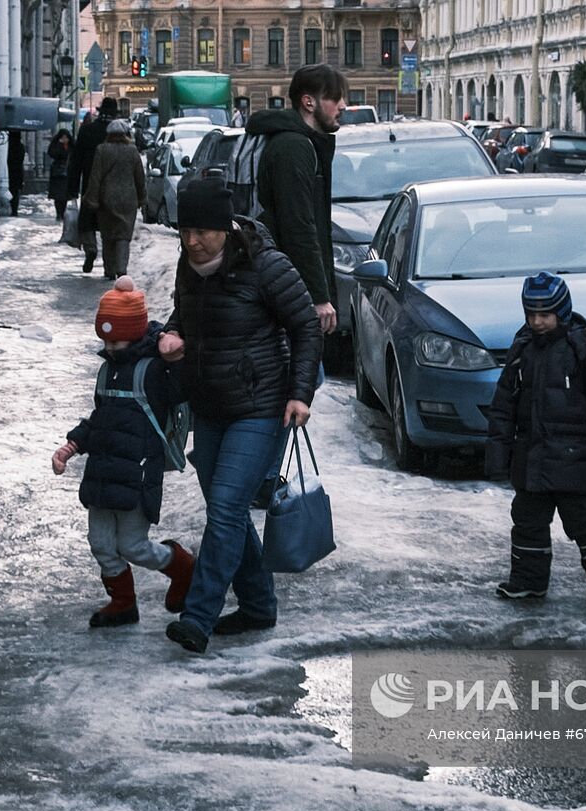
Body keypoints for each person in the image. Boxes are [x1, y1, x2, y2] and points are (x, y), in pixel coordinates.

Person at [156, 179, 322, 654]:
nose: (192, 241)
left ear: (226, 228)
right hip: (208, 407)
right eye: (184, 231)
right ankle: (257, 604)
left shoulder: (266, 266)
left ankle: (198, 617)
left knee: (228, 507)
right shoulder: (188, 269)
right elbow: (181, 317)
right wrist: (171, 336)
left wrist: (300, 393)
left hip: (259, 407)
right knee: (225, 512)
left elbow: (305, 326)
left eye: (201, 232)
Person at [51, 279, 196, 629]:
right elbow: (100, 418)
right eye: (106, 340)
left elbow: (184, 385)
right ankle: (122, 602)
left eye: (117, 339)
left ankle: (185, 569)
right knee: (101, 543)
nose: (111, 347)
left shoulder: (154, 372)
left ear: (134, 332)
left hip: (137, 474)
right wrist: (71, 446)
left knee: (133, 546)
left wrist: (169, 348)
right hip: (102, 474)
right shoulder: (107, 370)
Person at [485, 272, 586, 603]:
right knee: (527, 523)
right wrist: (497, 455)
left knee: (585, 524)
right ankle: (528, 580)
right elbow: (503, 406)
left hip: (574, 460)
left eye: (545, 315)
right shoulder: (522, 351)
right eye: (531, 315)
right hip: (532, 459)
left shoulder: (582, 346)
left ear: (561, 313)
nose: (538, 322)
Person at [244, 64, 346, 505]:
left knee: (300, 378)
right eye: (335, 97)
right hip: (286, 284)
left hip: (285, 280)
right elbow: (300, 226)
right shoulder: (293, 149)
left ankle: (262, 473)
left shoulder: (302, 145)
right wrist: (319, 297)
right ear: (309, 102)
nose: (343, 105)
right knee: (300, 378)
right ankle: (261, 474)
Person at [83, 120, 146, 281]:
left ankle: (109, 269)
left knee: (108, 235)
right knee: (123, 235)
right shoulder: (132, 151)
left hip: (106, 198)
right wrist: (142, 197)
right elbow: (140, 177)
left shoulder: (102, 150)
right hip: (128, 199)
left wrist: (92, 199)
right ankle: (121, 268)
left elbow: (95, 176)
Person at [68, 96, 120, 273]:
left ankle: (90, 249)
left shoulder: (87, 130)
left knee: (87, 221)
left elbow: (75, 162)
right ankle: (109, 266)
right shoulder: (120, 135)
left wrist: (72, 189)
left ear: (99, 112)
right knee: (109, 225)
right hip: (114, 187)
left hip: (90, 183)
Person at [46, 128, 73, 222]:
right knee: (58, 195)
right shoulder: (56, 145)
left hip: (67, 173)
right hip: (57, 173)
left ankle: (63, 212)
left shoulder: (71, 146)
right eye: (63, 137)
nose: (65, 139)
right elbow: (53, 153)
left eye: (66, 137)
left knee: (64, 195)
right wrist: (60, 144)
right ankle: (58, 214)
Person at [7, 130, 26, 217]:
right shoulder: (20, 146)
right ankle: (14, 210)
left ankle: (11, 208)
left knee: (11, 189)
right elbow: (21, 158)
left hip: (9, 170)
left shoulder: (8, 146)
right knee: (15, 191)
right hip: (18, 171)